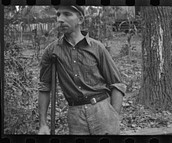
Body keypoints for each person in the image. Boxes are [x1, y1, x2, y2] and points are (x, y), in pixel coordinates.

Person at [38, 6, 126, 135]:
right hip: (75, 115)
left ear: (80, 19)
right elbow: (45, 87)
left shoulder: (97, 48)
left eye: (67, 14)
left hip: (102, 110)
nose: (60, 19)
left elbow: (117, 84)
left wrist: (113, 116)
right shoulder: (52, 51)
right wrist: (43, 124)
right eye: (58, 15)